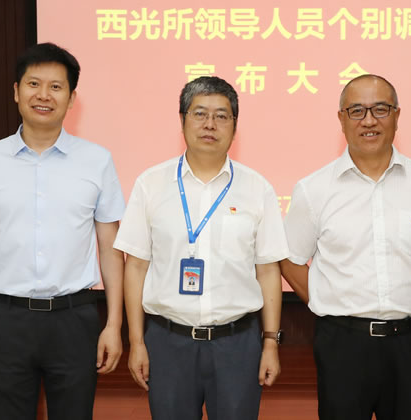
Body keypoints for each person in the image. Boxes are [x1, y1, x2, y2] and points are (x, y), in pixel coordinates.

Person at [0, 43, 126, 419]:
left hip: (74, 318)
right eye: (34, 84)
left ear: (72, 99)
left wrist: (114, 324)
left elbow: (110, 247)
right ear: (16, 91)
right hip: (5, 320)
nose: (44, 95)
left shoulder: (97, 161)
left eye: (56, 87)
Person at [281, 74, 411, 419]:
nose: (369, 120)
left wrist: (406, 290)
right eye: (357, 111)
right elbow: (290, 261)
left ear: (397, 115)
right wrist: (325, 299)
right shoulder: (313, 189)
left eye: (380, 109)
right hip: (343, 345)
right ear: (341, 119)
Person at [115, 76, 288, 419]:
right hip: (168, 341)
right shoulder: (151, 184)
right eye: (200, 114)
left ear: (235, 127)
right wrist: (136, 342)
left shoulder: (258, 188)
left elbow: (268, 271)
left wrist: (270, 342)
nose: (210, 124)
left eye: (222, 116)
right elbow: (135, 267)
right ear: (182, 120)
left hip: (237, 343)